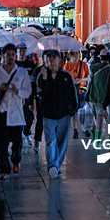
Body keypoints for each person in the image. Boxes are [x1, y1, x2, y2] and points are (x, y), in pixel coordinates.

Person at [0, 43, 32, 180]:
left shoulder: (22, 72)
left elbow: (28, 91)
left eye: (13, 55)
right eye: (8, 55)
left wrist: (17, 90)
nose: (11, 57)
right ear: (3, 56)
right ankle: (3, 169)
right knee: (1, 142)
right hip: (2, 111)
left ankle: (16, 159)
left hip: (16, 111)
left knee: (17, 141)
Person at [37, 49, 78, 178]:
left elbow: (72, 94)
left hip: (63, 113)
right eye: (47, 59)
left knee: (61, 141)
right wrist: (44, 79)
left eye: (52, 58)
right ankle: (52, 165)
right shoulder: (42, 75)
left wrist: (73, 109)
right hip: (48, 113)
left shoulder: (66, 76)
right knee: (50, 141)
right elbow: (41, 94)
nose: (50, 61)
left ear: (59, 60)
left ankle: (57, 165)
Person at [63, 50, 90, 139]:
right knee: (73, 112)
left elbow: (88, 77)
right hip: (71, 92)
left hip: (82, 91)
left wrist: (80, 80)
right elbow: (64, 78)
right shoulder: (66, 66)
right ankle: (75, 130)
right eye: (73, 55)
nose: (75, 56)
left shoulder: (84, 65)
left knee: (82, 112)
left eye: (77, 54)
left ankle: (84, 128)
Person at [16, 45, 37, 146]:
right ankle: (18, 135)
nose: (21, 53)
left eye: (23, 51)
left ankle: (26, 132)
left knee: (29, 115)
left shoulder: (30, 64)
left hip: (28, 93)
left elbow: (34, 79)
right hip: (16, 94)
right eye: (20, 51)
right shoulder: (14, 64)